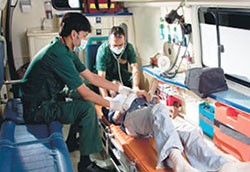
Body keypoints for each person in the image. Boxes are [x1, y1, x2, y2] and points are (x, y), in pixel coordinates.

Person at [20, 12, 148, 172]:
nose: (85, 40)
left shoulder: (63, 48)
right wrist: (115, 105)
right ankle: (85, 165)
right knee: (87, 108)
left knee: (81, 90)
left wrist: (123, 89)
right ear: (74, 34)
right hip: (37, 109)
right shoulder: (59, 55)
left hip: (46, 96)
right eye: (84, 35)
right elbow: (86, 94)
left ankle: (72, 141)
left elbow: (92, 77)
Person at [103, 92, 250, 172]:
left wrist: (163, 109)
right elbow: (115, 120)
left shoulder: (133, 92)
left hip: (149, 121)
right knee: (159, 109)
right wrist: (121, 106)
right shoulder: (113, 100)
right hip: (131, 120)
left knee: (190, 132)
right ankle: (178, 162)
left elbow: (153, 111)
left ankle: (221, 166)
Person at [96, 26, 140, 97]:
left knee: (133, 79)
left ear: (124, 40)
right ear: (109, 41)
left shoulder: (129, 48)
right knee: (90, 86)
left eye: (120, 45)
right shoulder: (103, 51)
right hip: (106, 77)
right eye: (115, 45)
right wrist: (106, 98)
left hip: (122, 76)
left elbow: (134, 68)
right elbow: (101, 77)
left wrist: (136, 87)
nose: (118, 48)